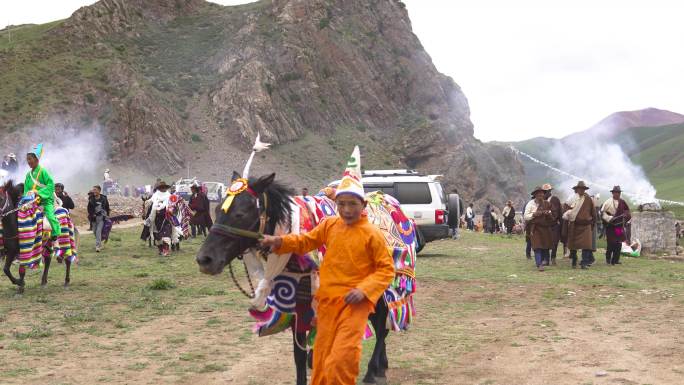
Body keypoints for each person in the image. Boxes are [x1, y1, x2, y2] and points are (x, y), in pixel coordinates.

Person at [260, 146, 394, 385]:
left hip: (355, 304)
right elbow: (305, 241)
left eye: (352, 204)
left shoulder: (372, 234)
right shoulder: (329, 225)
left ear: (362, 205)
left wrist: (364, 290)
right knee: (321, 359)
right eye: (341, 204)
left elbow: (386, 270)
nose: (346, 210)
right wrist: (278, 241)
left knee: (341, 360)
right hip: (326, 303)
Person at [21, 144, 60, 241]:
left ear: (36, 159)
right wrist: (26, 198)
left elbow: (51, 185)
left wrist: (38, 193)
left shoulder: (43, 171)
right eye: (27, 159)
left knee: (50, 216)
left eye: (30, 159)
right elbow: (26, 189)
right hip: (32, 201)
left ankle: (56, 232)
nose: (28, 161)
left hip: (45, 200)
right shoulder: (28, 175)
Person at [562, 181, 597, 269]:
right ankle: (574, 259)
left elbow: (593, 212)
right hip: (574, 225)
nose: (581, 190)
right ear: (577, 189)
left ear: (585, 190)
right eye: (579, 189)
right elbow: (565, 207)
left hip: (586, 225)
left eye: (583, 189)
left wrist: (593, 222)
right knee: (573, 244)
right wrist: (569, 212)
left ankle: (584, 263)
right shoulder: (572, 198)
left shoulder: (588, 199)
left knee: (586, 245)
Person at [524, 186, 555, 271]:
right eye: (538, 194)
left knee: (545, 246)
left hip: (545, 228)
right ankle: (539, 264)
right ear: (535, 195)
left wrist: (548, 214)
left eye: (542, 193)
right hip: (535, 228)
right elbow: (526, 216)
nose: (540, 195)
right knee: (537, 246)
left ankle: (545, 261)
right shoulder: (530, 204)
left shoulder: (547, 204)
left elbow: (552, 218)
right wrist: (534, 214)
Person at [601, 186, 631, 265]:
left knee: (618, 243)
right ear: (613, 193)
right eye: (615, 192)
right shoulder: (608, 202)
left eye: (618, 193)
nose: (617, 194)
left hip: (618, 227)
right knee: (611, 243)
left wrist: (625, 215)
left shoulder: (622, 202)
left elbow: (627, 211)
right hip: (610, 226)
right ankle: (608, 259)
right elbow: (602, 213)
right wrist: (609, 218)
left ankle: (615, 260)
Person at [543, 184, 562, 265]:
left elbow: (559, 211)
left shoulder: (555, 199)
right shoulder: (542, 201)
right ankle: (546, 260)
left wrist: (560, 223)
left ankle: (553, 257)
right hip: (545, 225)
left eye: (546, 191)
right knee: (545, 242)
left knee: (554, 242)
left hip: (554, 224)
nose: (545, 193)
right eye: (544, 192)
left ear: (550, 191)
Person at [87, 185, 110, 252]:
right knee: (94, 231)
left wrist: (107, 215)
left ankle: (98, 246)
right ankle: (100, 240)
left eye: (95, 190)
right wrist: (92, 214)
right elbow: (89, 209)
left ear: (99, 190)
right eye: (93, 190)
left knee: (98, 231)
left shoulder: (104, 198)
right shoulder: (91, 199)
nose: (94, 191)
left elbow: (107, 207)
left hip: (101, 217)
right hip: (93, 218)